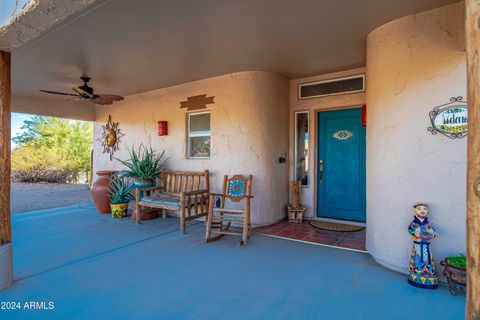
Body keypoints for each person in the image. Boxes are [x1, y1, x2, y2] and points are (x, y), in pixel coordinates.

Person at [407, 203, 438, 289]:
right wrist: (422, 234)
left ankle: (428, 280)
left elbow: (432, 233)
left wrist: (429, 234)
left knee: (427, 261)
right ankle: (414, 278)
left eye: (425, 209)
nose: (422, 211)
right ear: (415, 210)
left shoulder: (427, 224)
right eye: (419, 208)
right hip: (417, 245)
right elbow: (411, 231)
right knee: (417, 261)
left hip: (426, 246)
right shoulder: (414, 224)